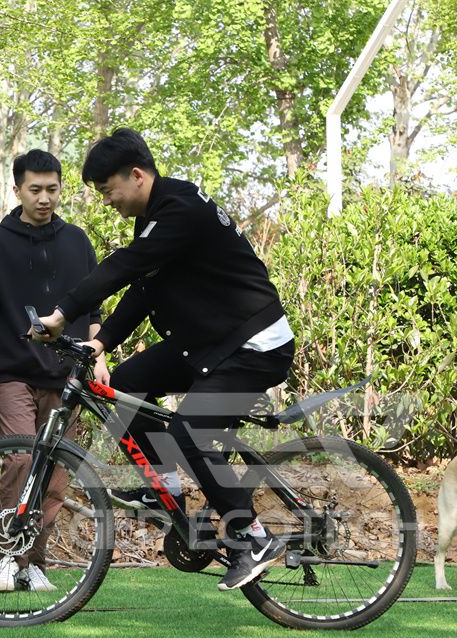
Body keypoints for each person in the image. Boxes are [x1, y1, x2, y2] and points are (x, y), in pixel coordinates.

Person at [34, 128, 295, 592]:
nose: (106, 200)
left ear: (136, 175)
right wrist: (101, 343)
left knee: (187, 433)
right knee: (125, 387)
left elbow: (125, 266)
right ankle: (166, 490)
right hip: (208, 342)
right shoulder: (155, 215)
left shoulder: (181, 209)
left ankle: (254, 538)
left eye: (107, 190)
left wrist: (63, 312)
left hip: (253, 345)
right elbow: (144, 289)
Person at [0, 149, 105, 593]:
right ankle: (7, 558)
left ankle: (33, 563)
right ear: (17, 189)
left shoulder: (78, 241)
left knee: (56, 474)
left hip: (68, 377)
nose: (44, 198)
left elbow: (94, 310)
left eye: (52, 189)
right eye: (35, 190)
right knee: (22, 460)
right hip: (12, 373)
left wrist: (99, 358)